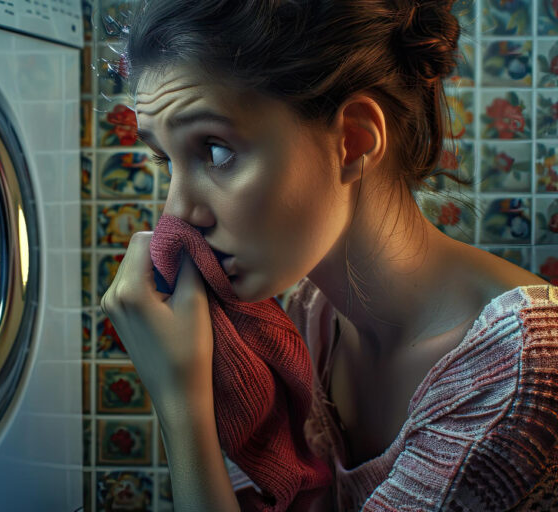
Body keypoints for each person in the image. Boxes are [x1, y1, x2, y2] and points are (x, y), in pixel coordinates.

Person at [99, 0, 558, 510]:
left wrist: (182, 408)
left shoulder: (520, 381)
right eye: (167, 160)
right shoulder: (307, 321)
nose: (177, 215)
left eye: (216, 150)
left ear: (354, 140)